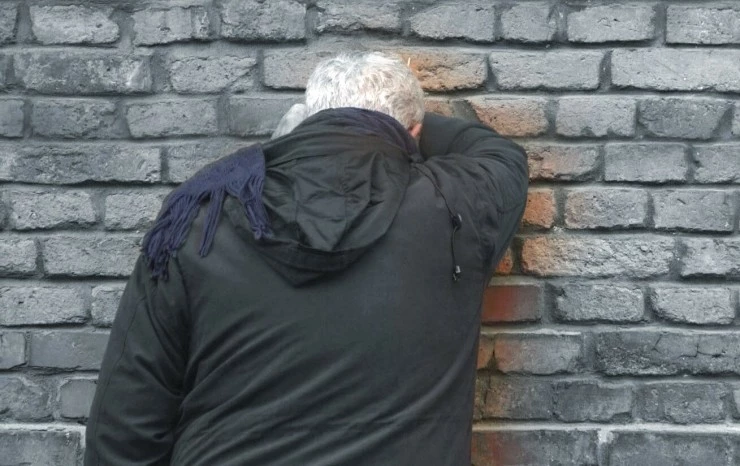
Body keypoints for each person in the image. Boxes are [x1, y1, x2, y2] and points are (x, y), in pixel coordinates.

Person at [84, 51, 528, 466]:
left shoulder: (201, 214)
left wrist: (318, 122)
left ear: (306, 117)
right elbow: (500, 155)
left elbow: (127, 421)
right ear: (413, 133)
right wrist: (403, 118)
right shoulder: (454, 205)